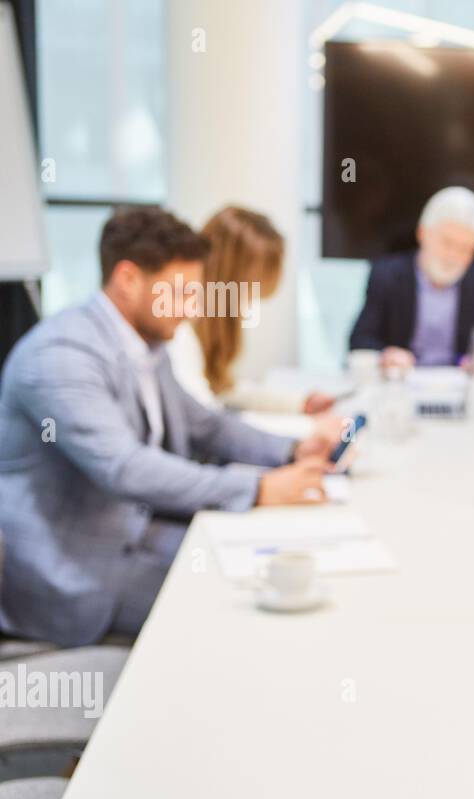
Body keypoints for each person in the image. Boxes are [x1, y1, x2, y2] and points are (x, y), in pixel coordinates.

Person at [0, 207, 335, 648]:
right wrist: (257, 489)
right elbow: (125, 468)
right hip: (74, 571)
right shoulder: (61, 356)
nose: (194, 309)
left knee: (260, 566)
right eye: (181, 293)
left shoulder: (144, 344)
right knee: (239, 612)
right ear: (127, 280)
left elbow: (206, 426)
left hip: (136, 535)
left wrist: (293, 450)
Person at [169, 205, 336, 415]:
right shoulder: (179, 332)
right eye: (249, 288)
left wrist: (300, 403)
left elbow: (222, 388)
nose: (246, 303)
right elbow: (207, 422)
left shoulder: (207, 322)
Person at [348, 186, 474, 372]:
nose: (454, 256)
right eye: (447, 243)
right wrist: (385, 355)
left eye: (466, 249)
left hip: (462, 388)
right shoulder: (387, 276)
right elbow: (360, 340)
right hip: (403, 386)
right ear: (422, 233)